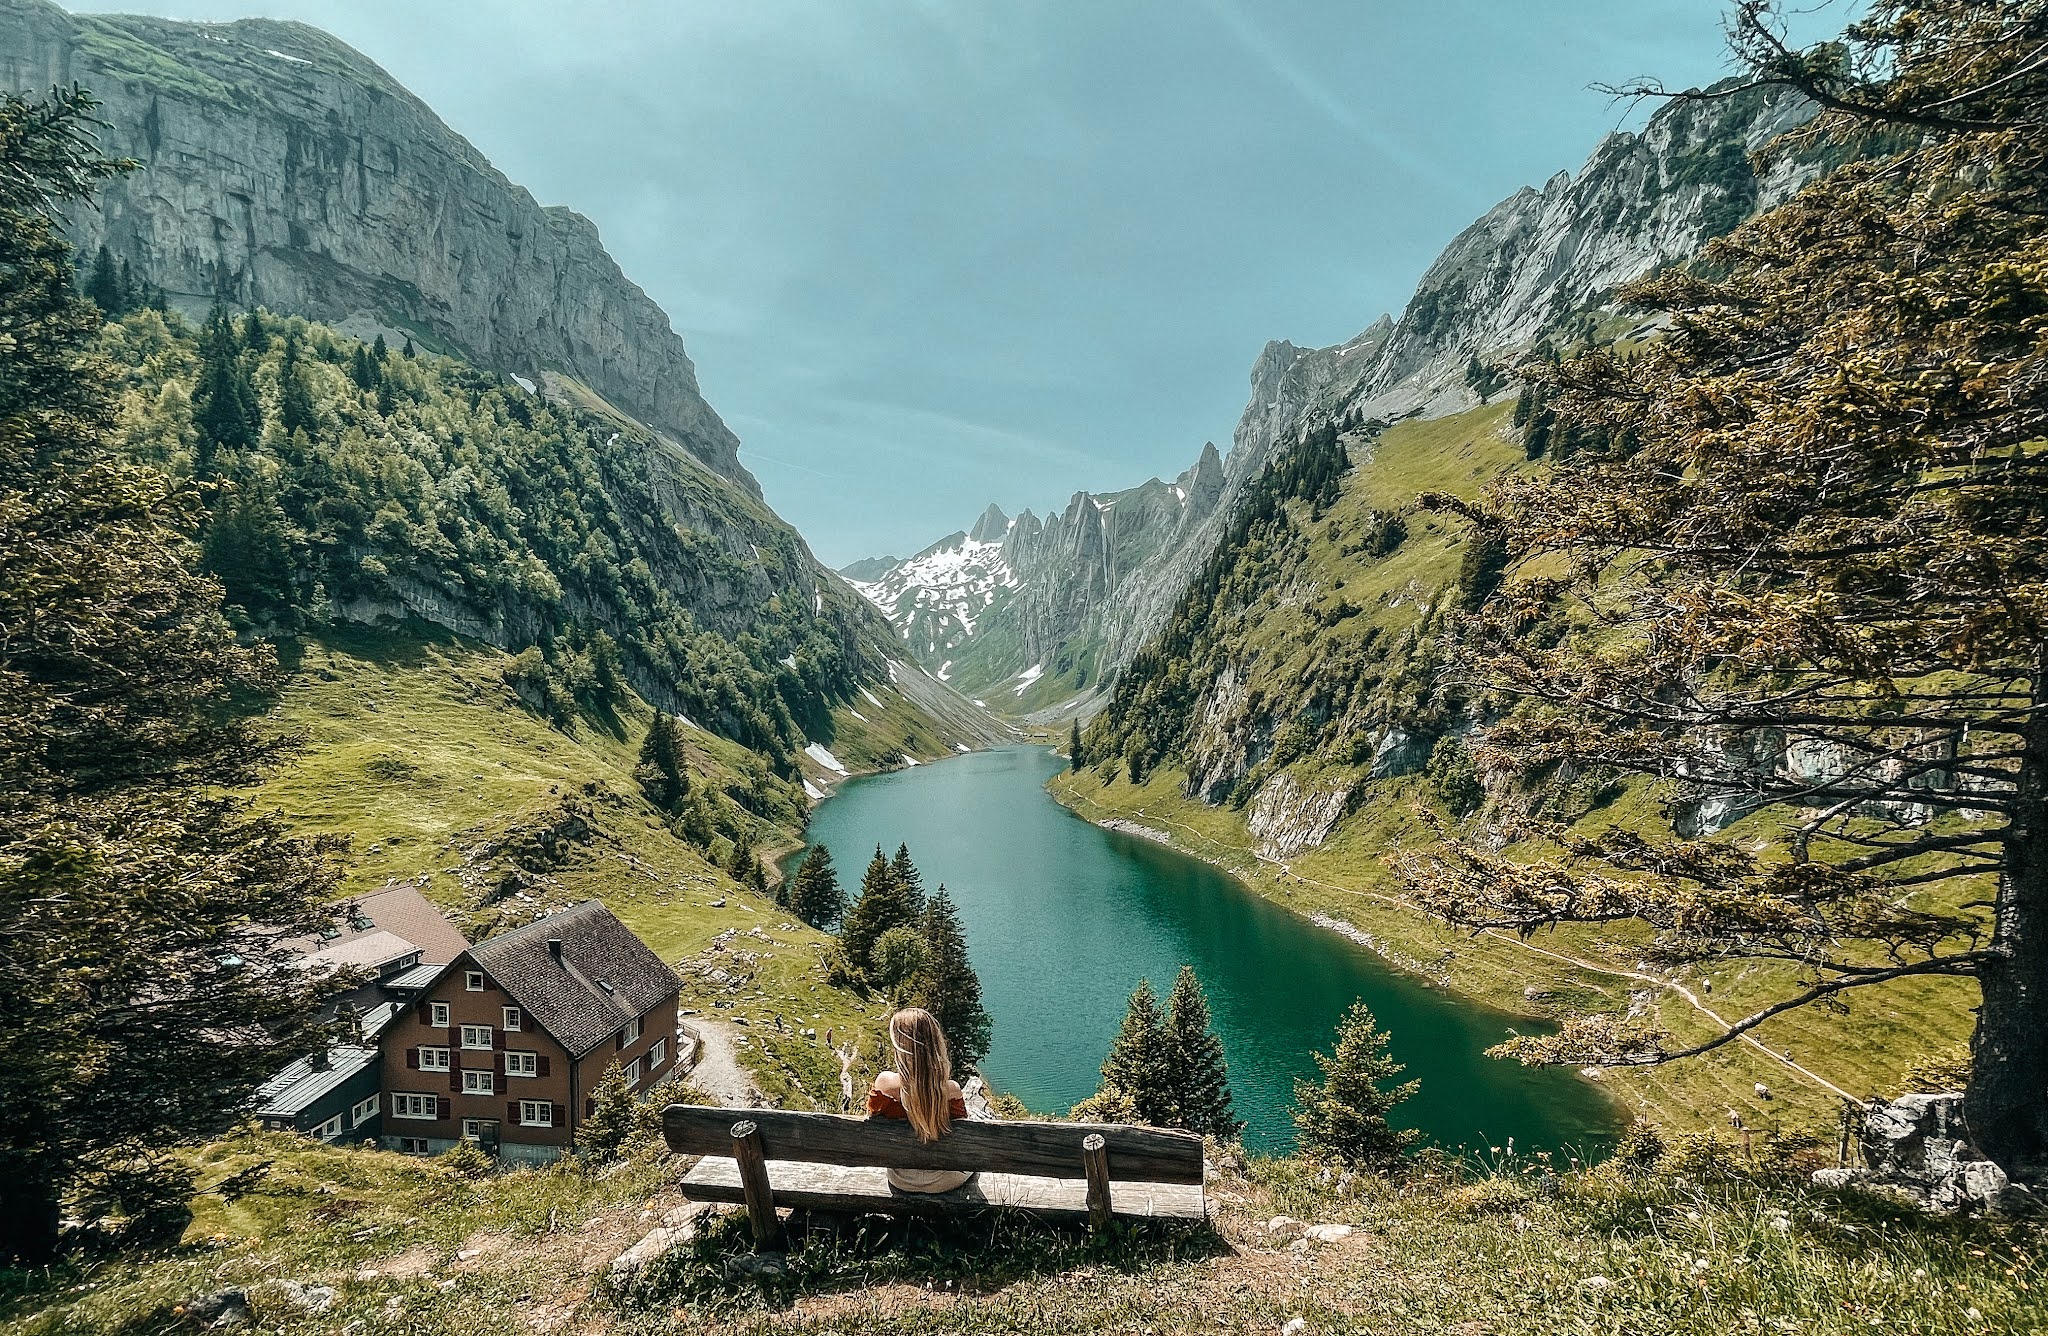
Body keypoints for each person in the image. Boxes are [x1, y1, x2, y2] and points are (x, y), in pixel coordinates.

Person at [866, 1007, 973, 1193]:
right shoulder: (950, 1090)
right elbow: (962, 1139)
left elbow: (871, 1124)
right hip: (945, 1179)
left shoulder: (885, 1084)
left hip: (901, 1178)